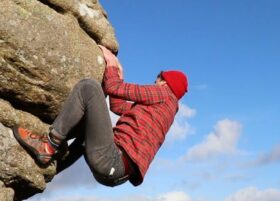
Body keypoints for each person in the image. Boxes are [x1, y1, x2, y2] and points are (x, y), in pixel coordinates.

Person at [13, 45, 188, 187]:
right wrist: (119, 77)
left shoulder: (163, 94)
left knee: (88, 87)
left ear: (165, 82)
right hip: (116, 173)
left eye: (157, 79)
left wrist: (111, 64)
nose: (154, 82)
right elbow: (117, 106)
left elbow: (112, 87)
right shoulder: (163, 110)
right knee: (85, 129)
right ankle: (49, 169)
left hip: (112, 160)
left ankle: (48, 146)